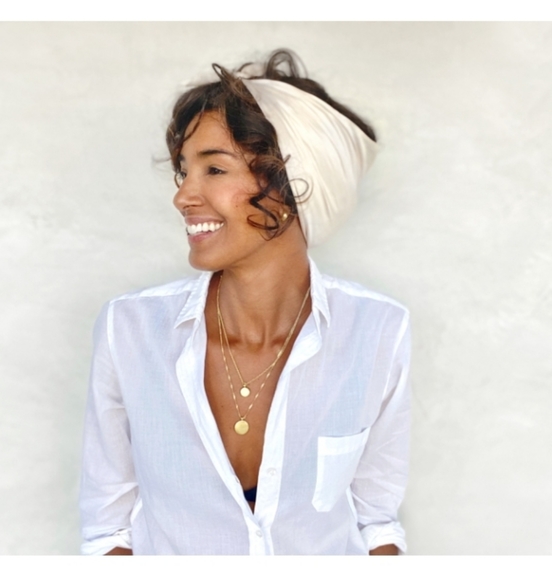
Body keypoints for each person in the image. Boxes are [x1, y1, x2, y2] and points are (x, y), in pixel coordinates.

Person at [79, 49, 411, 556]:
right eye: (184, 171)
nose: (183, 196)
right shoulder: (129, 330)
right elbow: (108, 530)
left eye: (214, 169)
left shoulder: (378, 331)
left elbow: (377, 523)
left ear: (293, 187)